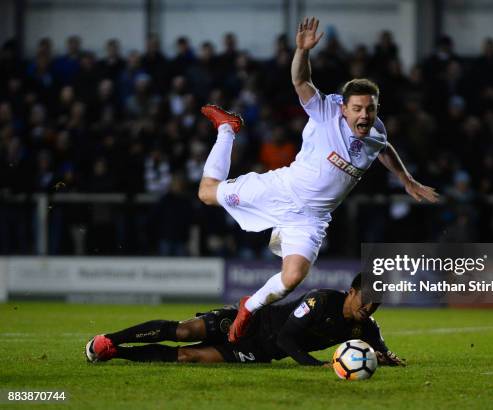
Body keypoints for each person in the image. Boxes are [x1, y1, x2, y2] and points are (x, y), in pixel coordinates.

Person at [197, 17, 439, 342]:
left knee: (293, 276)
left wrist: (406, 179)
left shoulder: (376, 131)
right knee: (206, 194)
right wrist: (302, 51)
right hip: (281, 190)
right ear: (344, 108)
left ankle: (248, 307)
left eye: (370, 108)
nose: (364, 115)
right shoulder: (326, 111)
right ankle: (227, 128)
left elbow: (384, 148)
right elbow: (300, 80)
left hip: (312, 219)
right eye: (357, 109)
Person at [85, 273, 405, 367]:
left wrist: (385, 358)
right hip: (251, 323)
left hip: (259, 352)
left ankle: (116, 353)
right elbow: (286, 339)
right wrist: (314, 364)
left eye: (376, 304)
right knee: (182, 331)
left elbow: (383, 351)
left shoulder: (367, 326)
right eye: (366, 299)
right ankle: (110, 338)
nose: (370, 307)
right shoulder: (320, 301)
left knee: (188, 356)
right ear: (351, 291)